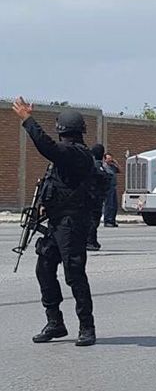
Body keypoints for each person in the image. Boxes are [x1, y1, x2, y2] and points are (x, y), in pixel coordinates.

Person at [12, 97, 97, 346]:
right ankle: (55, 322)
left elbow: (47, 147)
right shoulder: (64, 158)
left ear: (62, 130)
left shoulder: (76, 154)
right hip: (57, 221)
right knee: (44, 267)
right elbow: (54, 187)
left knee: (74, 273)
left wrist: (28, 120)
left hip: (73, 223)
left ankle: (87, 327)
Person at [86, 144, 109, 251]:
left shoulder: (94, 165)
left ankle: (92, 240)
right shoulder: (97, 166)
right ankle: (90, 241)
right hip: (94, 197)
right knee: (93, 219)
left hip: (94, 196)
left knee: (93, 219)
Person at [102, 152, 121, 227]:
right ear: (105, 159)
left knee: (114, 205)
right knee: (109, 204)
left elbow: (120, 170)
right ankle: (107, 221)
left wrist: (116, 163)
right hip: (108, 188)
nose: (110, 160)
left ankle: (112, 220)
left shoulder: (113, 167)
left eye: (111, 158)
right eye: (108, 158)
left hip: (113, 187)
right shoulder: (104, 167)